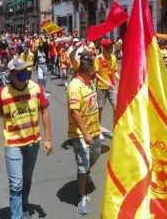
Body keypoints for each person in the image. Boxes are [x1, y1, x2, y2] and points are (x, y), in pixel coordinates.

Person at [0, 58, 52, 219]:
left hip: (33, 143)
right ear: (12, 74)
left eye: (26, 70)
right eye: (20, 72)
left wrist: (48, 139)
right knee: (16, 184)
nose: (25, 74)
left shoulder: (37, 88)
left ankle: (24, 207)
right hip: (13, 144)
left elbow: (44, 111)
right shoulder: (2, 93)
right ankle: (16, 216)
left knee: (26, 179)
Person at [67, 54, 101, 215]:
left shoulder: (90, 82)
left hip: (95, 130)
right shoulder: (75, 86)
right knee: (82, 166)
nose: (96, 73)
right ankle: (82, 196)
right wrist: (85, 133)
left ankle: (86, 173)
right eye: (94, 70)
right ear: (87, 72)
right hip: (81, 134)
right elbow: (75, 113)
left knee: (95, 156)